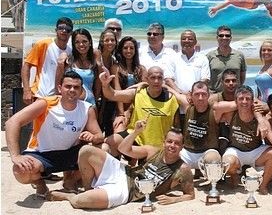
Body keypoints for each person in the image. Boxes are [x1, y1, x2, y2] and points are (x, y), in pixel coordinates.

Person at [5, 70, 103, 197]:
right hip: (42, 154)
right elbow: (12, 122)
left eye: (76, 87)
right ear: (60, 88)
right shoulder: (46, 103)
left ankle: (70, 180)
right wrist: (15, 155)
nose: (72, 90)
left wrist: (93, 137)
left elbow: (100, 136)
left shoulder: (87, 108)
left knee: (104, 149)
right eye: (68, 86)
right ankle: (39, 182)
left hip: (70, 152)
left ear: (81, 91)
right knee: (20, 172)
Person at [46, 126, 194, 209]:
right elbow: (124, 149)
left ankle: (70, 196)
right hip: (123, 172)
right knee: (86, 151)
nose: (172, 146)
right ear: (164, 142)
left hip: (128, 192)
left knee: (78, 202)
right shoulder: (153, 151)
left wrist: (173, 200)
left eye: (176, 143)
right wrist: (136, 132)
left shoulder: (183, 169)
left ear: (182, 146)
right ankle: (88, 188)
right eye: (169, 142)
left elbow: (190, 194)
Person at [215, 85, 272, 194]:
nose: (244, 101)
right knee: (226, 162)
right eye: (241, 99)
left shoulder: (261, 121)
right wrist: (240, 105)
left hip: (255, 151)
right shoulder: (230, 114)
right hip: (236, 151)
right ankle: (235, 176)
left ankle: (263, 185)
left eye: (248, 99)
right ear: (235, 101)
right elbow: (217, 106)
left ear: (253, 101)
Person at [99, 66, 180, 156]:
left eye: (159, 78)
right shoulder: (138, 92)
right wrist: (105, 84)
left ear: (163, 80)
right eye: (153, 77)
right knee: (108, 144)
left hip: (155, 146)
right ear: (147, 79)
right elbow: (112, 95)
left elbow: (177, 126)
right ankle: (117, 167)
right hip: (135, 136)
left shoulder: (171, 99)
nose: (156, 81)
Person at [21, 17, 73, 105]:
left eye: (67, 29)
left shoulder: (70, 51)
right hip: (41, 95)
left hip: (59, 97)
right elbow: (26, 66)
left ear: (71, 33)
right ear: (56, 30)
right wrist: (26, 90)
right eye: (61, 28)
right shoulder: (43, 44)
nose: (64, 31)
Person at [171, 81, 221, 169]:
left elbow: (238, 104)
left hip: (207, 152)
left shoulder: (215, 110)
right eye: (197, 94)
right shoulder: (187, 107)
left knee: (214, 159)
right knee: (171, 158)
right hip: (188, 153)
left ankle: (213, 181)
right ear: (191, 95)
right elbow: (174, 93)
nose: (200, 98)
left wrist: (253, 104)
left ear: (209, 95)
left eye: (203, 94)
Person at [110, 36, 147, 134]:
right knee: (119, 132)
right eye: (125, 48)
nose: (128, 50)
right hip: (120, 108)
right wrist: (121, 114)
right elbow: (117, 91)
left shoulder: (141, 69)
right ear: (121, 50)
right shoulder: (115, 67)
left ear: (135, 50)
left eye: (131, 48)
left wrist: (130, 110)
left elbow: (143, 92)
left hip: (137, 108)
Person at [55, 28, 101, 106]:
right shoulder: (67, 61)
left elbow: (97, 85)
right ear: (74, 44)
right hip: (70, 105)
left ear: (90, 42)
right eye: (77, 42)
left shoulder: (94, 62)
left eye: (84, 41)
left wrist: (94, 100)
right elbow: (58, 85)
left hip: (90, 103)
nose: (81, 45)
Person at [165, 30, 210, 94]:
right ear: (180, 42)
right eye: (183, 39)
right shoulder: (172, 58)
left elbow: (205, 79)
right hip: (176, 96)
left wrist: (193, 93)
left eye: (190, 39)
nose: (186, 41)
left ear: (195, 42)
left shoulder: (202, 58)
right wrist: (180, 93)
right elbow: (168, 79)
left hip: (196, 96)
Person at [206, 25, 247, 93]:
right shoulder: (209, 56)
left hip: (235, 96)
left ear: (231, 38)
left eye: (227, 35)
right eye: (221, 35)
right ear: (217, 38)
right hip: (215, 95)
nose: (224, 38)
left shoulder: (239, 55)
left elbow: (242, 77)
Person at [96, 29, 118, 136]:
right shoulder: (96, 54)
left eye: (112, 40)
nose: (110, 43)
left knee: (108, 128)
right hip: (95, 96)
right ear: (101, 42)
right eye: (107, 40)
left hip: (106, 98)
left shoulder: (113, 60)